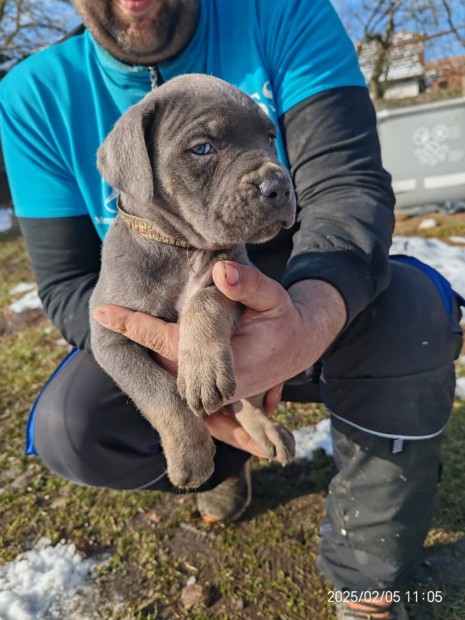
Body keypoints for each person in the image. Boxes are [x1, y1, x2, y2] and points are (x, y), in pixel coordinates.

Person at [0, 0, 463, 617]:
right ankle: (225, 464)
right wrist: (178, 378)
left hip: (305, 294)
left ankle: (370, 576)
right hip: (159, 328)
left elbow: (346, 184)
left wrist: (309, 316)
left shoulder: (283, 14)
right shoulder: (35, 94)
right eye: (202, 150)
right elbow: (66, 286)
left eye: (265, 139)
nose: (270, 175)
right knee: (71, 426)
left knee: (413, 310)